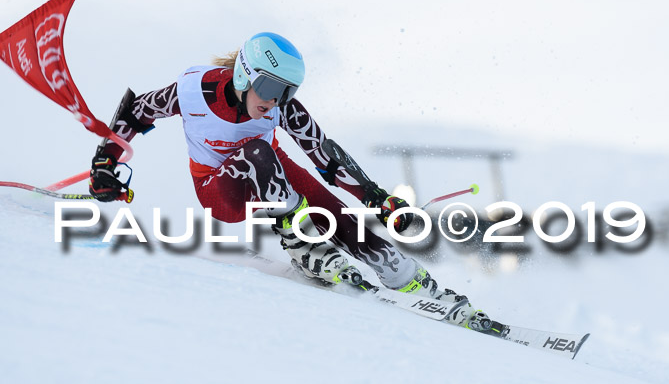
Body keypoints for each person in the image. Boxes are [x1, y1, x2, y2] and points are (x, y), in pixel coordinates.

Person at [87, 32, 493, 331]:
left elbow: (325, 156)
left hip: (269, 174)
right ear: (245, 75)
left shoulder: (281, 109)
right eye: (268, 87)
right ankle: (303, 246)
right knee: (259, 151)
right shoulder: (194, 90)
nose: (274, 99)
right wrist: (105, 162)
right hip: (219, 188)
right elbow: (137, 113)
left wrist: (377, 197)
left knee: (332, 208)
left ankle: (406, 277)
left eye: (286, 91)